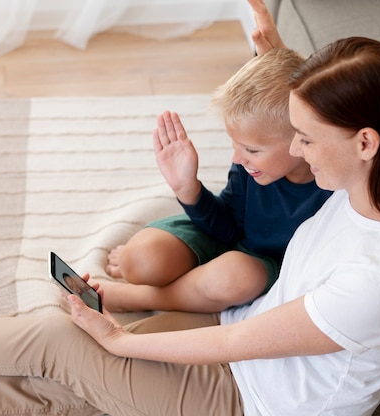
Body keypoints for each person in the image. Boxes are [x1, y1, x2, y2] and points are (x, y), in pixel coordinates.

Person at [0, 2, 380, 415]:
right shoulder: (361, 185)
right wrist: (270, 62)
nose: (295, 152)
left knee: (60, 340)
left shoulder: (379, 277)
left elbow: (244, 343)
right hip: (235, 336)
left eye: (306, 138)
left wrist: (120, 339)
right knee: (65, 390)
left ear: (365, 142)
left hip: (250, 398)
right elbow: (270, 144)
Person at [102, 47, 331, 313]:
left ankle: (139, 298)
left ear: (302, 137)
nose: (237, 158)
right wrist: (188, 189)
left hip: (262, 265)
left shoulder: (331, 186)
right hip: (229, 239)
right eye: (235, 145)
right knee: (140, 260)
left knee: (235, 275)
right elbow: (228, 226)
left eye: (251, 150)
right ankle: (193, 281)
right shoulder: (250, 167)